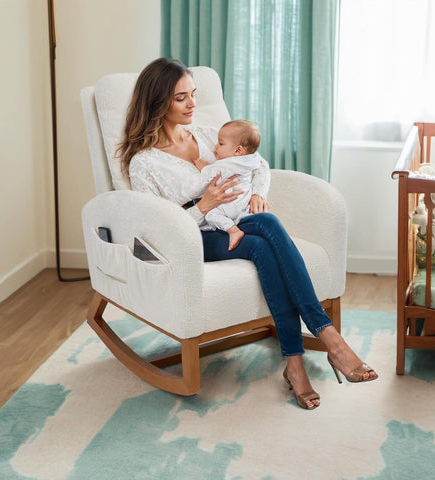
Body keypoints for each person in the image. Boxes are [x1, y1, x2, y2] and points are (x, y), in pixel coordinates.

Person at [118, 58, 378, 410]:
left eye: (193, 94)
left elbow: (260, 164)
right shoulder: (145, 162)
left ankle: (299, 361)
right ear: (157, 101)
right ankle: (326, 342)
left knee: (265, 231)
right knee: (263, 237)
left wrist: (259, 194)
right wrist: (204, 206)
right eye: (181, 98)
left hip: (235, 219)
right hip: (193, 236)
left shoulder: (208, 135)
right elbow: (155, 229)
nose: (193, 104)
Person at [193, 119, 262, 251]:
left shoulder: (228, 164)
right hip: (244, 205)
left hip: (230, 205)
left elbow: (211, 175)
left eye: (221, 143)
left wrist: (203, 167)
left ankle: (232, 230)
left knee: (211, 215)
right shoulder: (251, 160)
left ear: (238, 150)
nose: (215, 147)